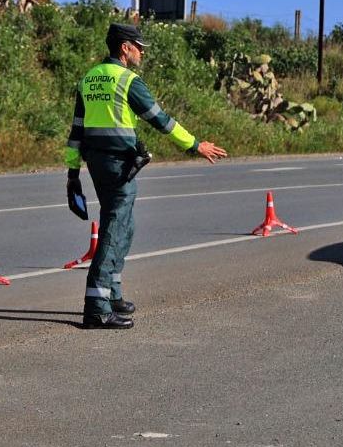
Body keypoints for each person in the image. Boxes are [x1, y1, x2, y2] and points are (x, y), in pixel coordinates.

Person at [64, 23, 227, 329]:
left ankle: (112, 293)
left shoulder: (89, 79)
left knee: (125, 224)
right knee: (115, 226)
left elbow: (76, 130)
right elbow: (161, 120)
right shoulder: (128, 81)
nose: (142, 52)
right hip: (117, 165)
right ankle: (96, 306)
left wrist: (72, 173)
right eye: (138, 47)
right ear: (125, 47)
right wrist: (195, 145)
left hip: (98, 163)